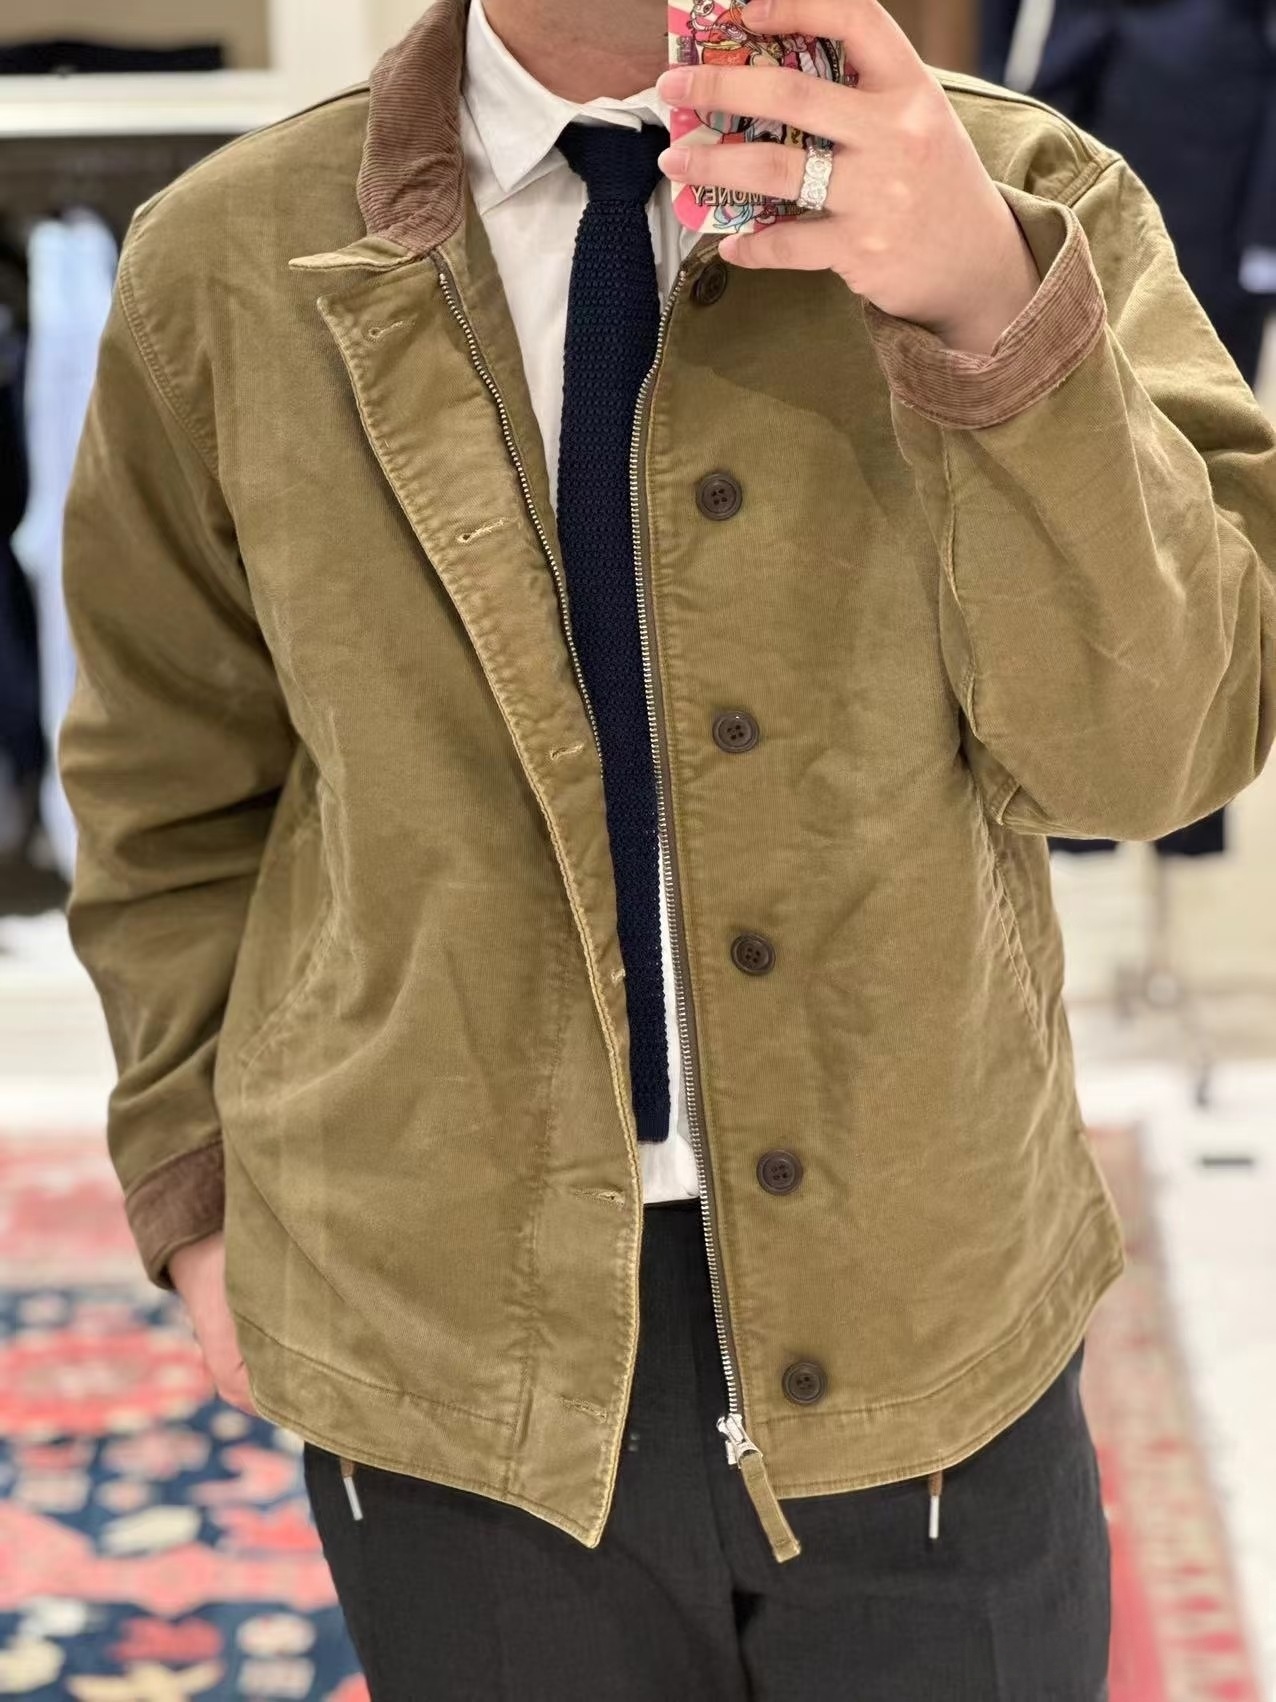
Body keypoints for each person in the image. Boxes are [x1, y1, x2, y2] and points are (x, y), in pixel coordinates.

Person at [59, 0, 1276, 1696]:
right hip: (447, 1344)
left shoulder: (1026, 194)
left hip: (929, 1314)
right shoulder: (227, 263)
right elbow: (166, 791)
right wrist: (195, 1193)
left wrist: (991, 310)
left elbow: (1159, 756)